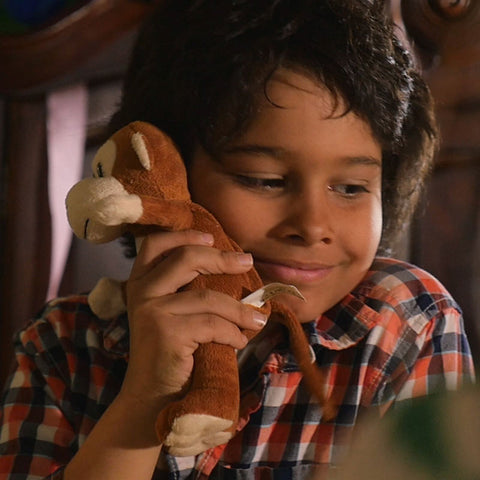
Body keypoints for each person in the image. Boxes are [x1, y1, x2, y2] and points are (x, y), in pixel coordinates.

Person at [0, 1, 475, 479]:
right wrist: (145, 399)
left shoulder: (406, 323)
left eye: (350, 188)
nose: (312, 225)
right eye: (264, 179)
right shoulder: (61, 345)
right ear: (166, 175)